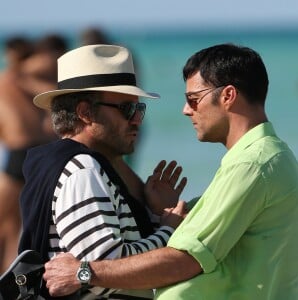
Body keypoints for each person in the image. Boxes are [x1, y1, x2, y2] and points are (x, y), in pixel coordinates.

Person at [44, 43, 298, 300]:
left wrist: (82, 273)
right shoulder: (260, 160)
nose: (185, 110)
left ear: (228, 96)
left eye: (193, 99)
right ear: (85, 113)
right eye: (128, 109)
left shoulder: (252, 165)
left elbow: (185, 259)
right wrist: (162, 218)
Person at [18, 44, 187, 299]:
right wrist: (170, 230)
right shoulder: (82, 170)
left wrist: (154, 216)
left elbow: (105, 261)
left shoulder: (72, 164)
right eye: (128, 109)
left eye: (140, 109)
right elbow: (98, 272)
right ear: (85, 113)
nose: (137, 120)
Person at [0, 36, 56, 274]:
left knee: (9, 220)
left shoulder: (10, 78)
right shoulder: (34, 79)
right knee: (15, 224)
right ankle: (11, 275)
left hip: (18, 152)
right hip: (35, 151)